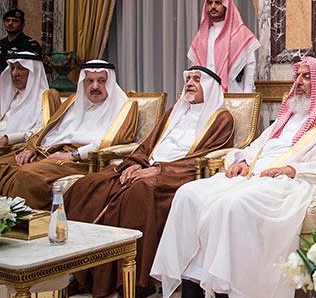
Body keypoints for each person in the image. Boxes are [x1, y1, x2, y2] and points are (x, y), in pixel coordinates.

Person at [151, 56, 316, 298]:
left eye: (307, 77)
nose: (298, 82)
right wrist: (240, 160)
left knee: (233, 204)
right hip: (254, 174)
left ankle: (230, 289)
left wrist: (291, 170)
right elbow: (256, 146)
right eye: (297, 76)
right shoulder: (286, 116)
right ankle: (192, 284)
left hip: (290, 182)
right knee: (188, 194)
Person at [63, 66, 235, 298]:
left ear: (211, 87)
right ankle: (82, 273)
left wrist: (158, 171)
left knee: (139, 191)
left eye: (197, 79)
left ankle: (134, 281)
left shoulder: (221, 118)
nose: (190, 83)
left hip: (176, 177)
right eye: (188, 78)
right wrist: (135, 163)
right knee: (87, 185)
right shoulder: (174, 111)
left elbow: (202, 157)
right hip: (148, 169)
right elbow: (148, 144)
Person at [0, 60, 138, 209]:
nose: (95, 86)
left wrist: (72, 155)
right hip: (49, 152)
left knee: (28, 175)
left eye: (101, 81)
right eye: (90, 81)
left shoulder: (124, 106)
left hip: (81, 161)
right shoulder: (73, 101)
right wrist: (31, 147)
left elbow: (113, 140)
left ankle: (27, 224)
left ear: (110, 82)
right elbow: (48, 129)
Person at [187, 0, 260, 93]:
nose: (213, 7)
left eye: (218, 3)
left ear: (226, 6)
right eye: (210, 3)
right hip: (207, 93)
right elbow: (195, 67)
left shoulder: (240, 33)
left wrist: (247, 93)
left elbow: (250, 65)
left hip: (233, 92)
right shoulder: (201, 36)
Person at [0, 52, 60, 150]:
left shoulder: (46, 99)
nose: (14, 74)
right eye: (12, 68)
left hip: (23, 152)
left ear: (34, 72)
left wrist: (8, 139)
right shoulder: (10, 96)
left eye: (21, 68)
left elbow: (42, 131)